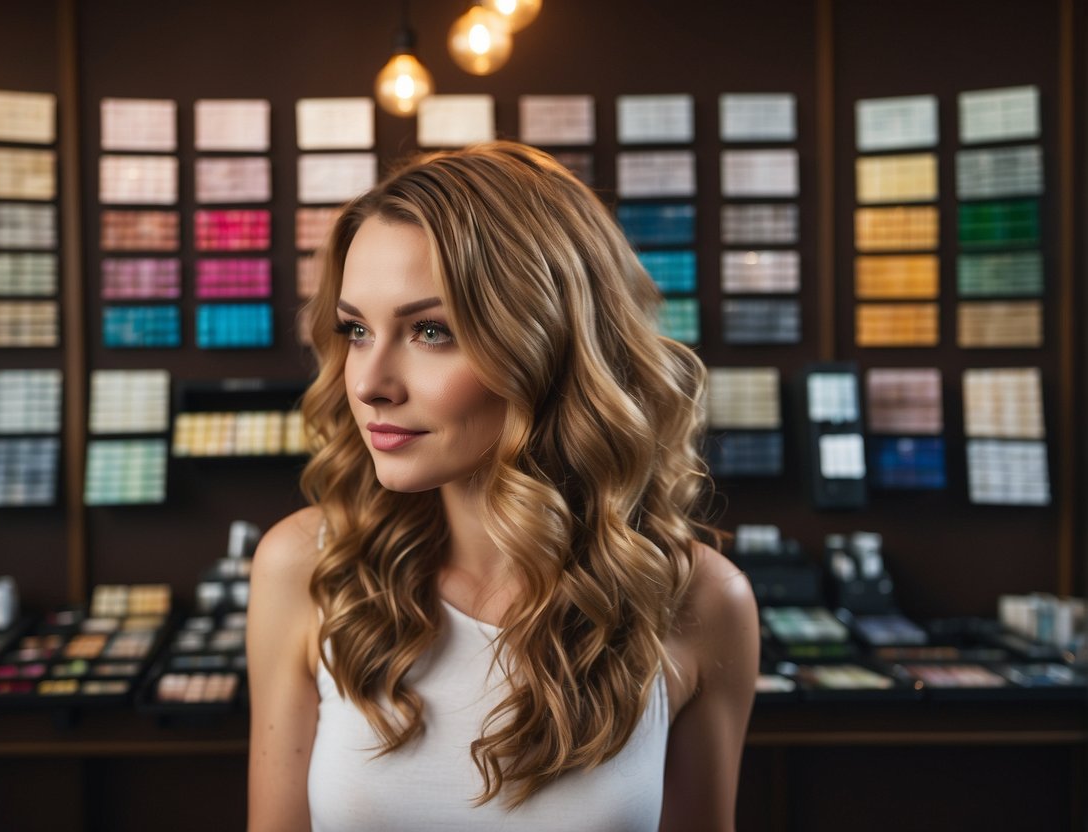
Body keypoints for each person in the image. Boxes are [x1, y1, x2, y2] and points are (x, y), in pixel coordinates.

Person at [247, 141, 759, 831]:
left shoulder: (699, 601)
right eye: (357, 330)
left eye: (430, 331)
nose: (368, 383)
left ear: (546, 343)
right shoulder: (308, 567)